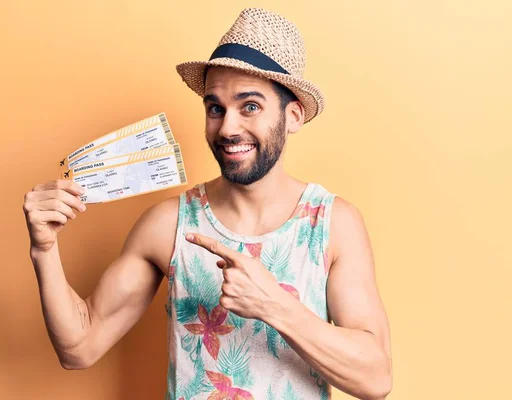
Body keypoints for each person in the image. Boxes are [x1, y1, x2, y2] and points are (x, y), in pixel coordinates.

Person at [22, 8, 392, 400]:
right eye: (216, 108)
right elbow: (79, 348)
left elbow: (376, 379)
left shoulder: (333, 223)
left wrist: (274, 306)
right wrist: (43, 250)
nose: (228, 127)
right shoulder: (168, 224)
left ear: (294, 116)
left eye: (250, 106)